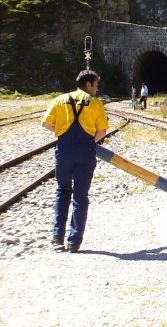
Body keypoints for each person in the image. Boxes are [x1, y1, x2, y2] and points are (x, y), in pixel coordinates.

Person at [41, 70, 109, 252]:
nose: (96, 89)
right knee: (80, 195)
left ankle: (57, 238)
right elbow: (101, 131)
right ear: (88, 84)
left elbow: (46, 124)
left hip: (63, 150)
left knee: (62, 191)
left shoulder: (59, 100)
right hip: (85, 152)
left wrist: (62, 134)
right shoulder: (95, 103)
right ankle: (74, 242)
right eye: (95, 85)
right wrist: (88, 141)